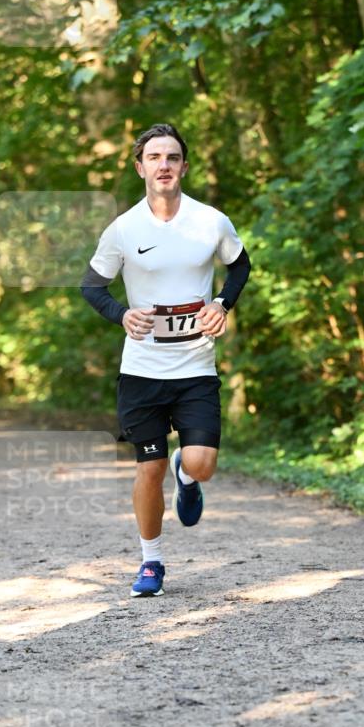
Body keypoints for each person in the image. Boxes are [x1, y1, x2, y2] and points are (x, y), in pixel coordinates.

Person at [81, 122, 251, 597]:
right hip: (142, 371)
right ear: (141, 168)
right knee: (147, 469)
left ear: (183, 166)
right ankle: (151, 563)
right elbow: (91, 286)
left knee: (202, 464)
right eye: (154, 158)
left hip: (196, 367)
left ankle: (186, 474)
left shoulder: (211, 221)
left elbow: (240, 265)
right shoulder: (123, 229)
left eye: (172, 157)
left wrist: (221, 304)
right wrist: (122, 315)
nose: (164, 165)